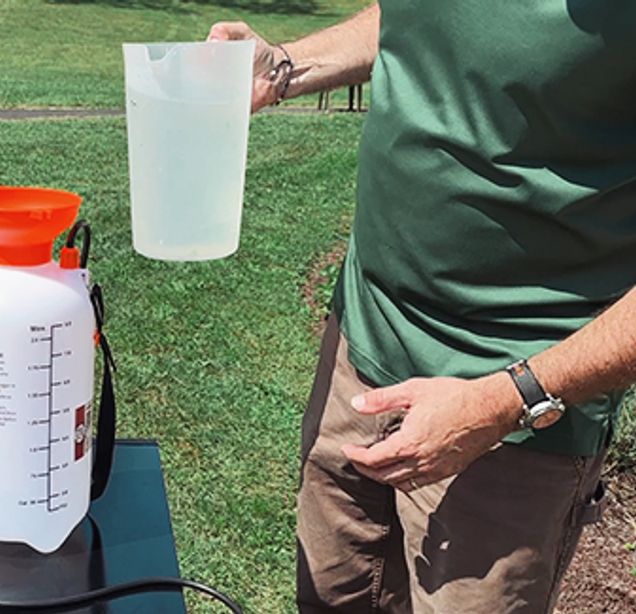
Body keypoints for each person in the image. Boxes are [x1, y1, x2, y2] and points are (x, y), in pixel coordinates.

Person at [209, 3, 636, 612]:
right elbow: (418, 17)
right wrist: (285, 67)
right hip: (358, 354)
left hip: (509, 422)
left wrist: (497, 404)